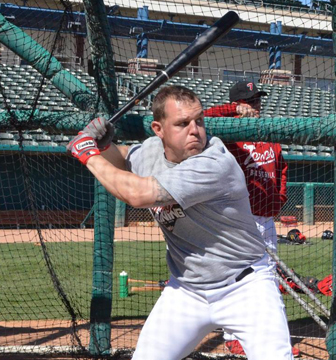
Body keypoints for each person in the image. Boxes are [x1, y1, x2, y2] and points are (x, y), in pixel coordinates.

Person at [67, 85, 294, 360]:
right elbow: (124, 159)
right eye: (182, 123)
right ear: (158, 129)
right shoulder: (151, 151)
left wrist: (88, 154)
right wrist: (104, 148)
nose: (195, 130)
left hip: (245, 287)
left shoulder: (214, 163)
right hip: (187, 292)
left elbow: (137, 194)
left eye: (198, 120)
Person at [205, 81, 301, 357]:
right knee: (235, 276)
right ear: (238, 103)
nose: (256, 104)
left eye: (257, 99)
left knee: (267, 279)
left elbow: (281, 166)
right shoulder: (227, 132)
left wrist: (279, 198)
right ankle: (233, 336)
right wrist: (232, 110)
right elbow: (202, 119)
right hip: (237, 218)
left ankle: (273, 342)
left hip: (265, 219)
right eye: (250, 100)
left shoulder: (268, 132)